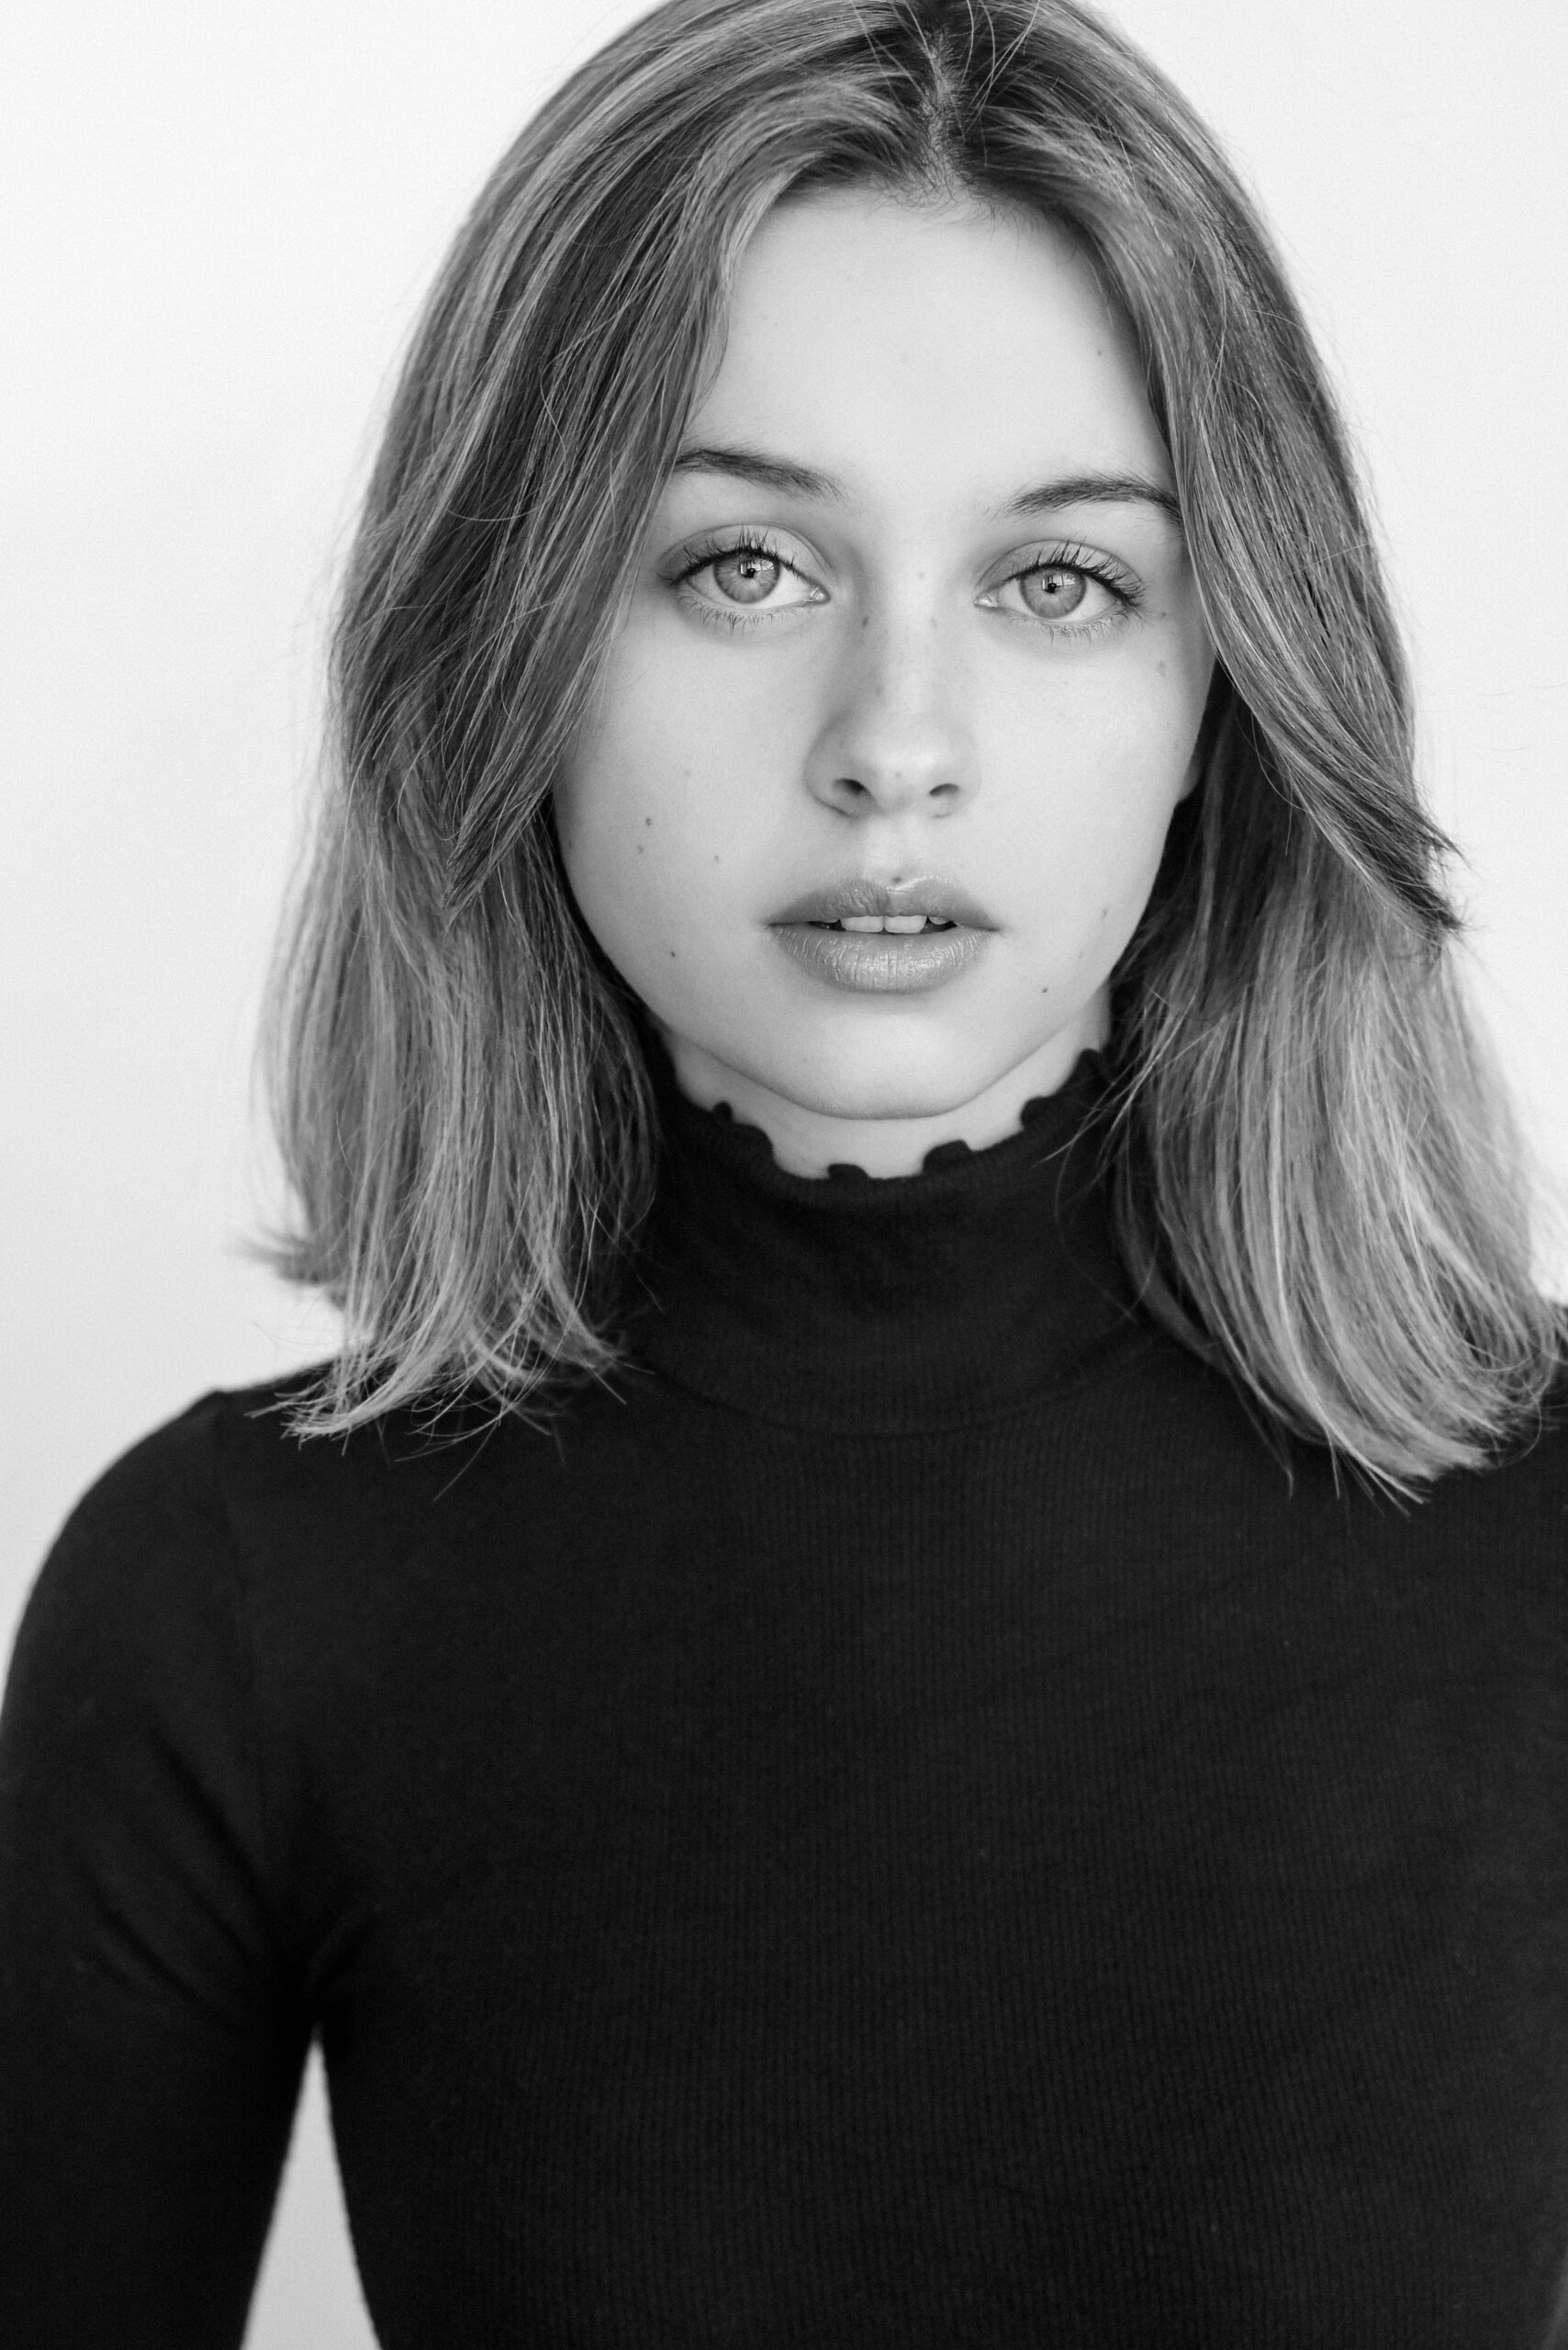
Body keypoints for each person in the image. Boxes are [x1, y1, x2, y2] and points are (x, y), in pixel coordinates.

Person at [2, 0, 1564, 2341]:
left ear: (1225, 692)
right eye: (741, 563)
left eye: (1056, 580)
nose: (893, 745)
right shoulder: (227, 1603)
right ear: (509, 647)